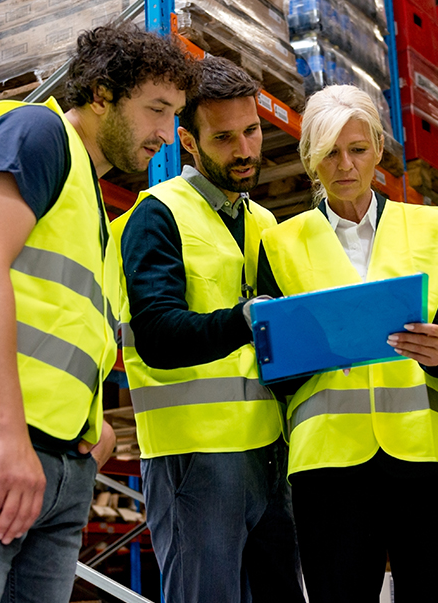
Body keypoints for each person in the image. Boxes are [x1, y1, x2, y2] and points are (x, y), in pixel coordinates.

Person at [0, 22, 197, 603]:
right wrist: (8, 434)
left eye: (174, 115)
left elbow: (58, 322)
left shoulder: (83, 190)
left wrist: (89, 423)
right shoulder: (36, 132)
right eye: (157, 110)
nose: (167, 134)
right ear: (100, 93)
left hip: (50, 460)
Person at [256, 84, 438, 603]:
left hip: (426, 460)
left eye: (357, 150)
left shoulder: (430, 226)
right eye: (330, 152)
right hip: (331, 467)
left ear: (378, 149)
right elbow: (275, 367)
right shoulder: (280, 243)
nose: (346, 165)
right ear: (311, 159)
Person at [112, 56, 303, 603]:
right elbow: (157, 333)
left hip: (269, 450)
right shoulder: (157, 215)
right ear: (188, 142)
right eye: (224, 138)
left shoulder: (264, 222)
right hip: (194, 456)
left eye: (252, 131)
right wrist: (245, 321)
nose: (245, 151)